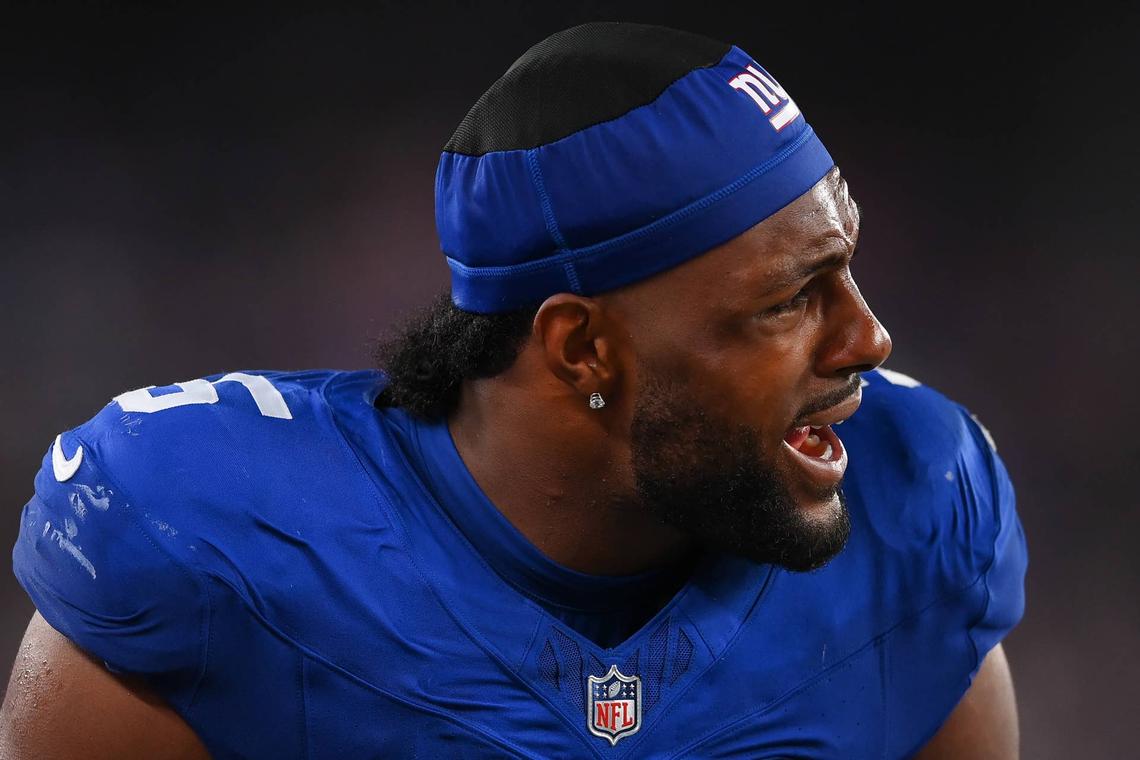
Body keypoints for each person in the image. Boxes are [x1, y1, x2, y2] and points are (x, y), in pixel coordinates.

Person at [1, 22, 1026, 759]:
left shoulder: (914, 510)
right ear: (582, 349)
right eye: (790, 300)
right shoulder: (205, 545)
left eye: (844, 268)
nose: (870, 337)